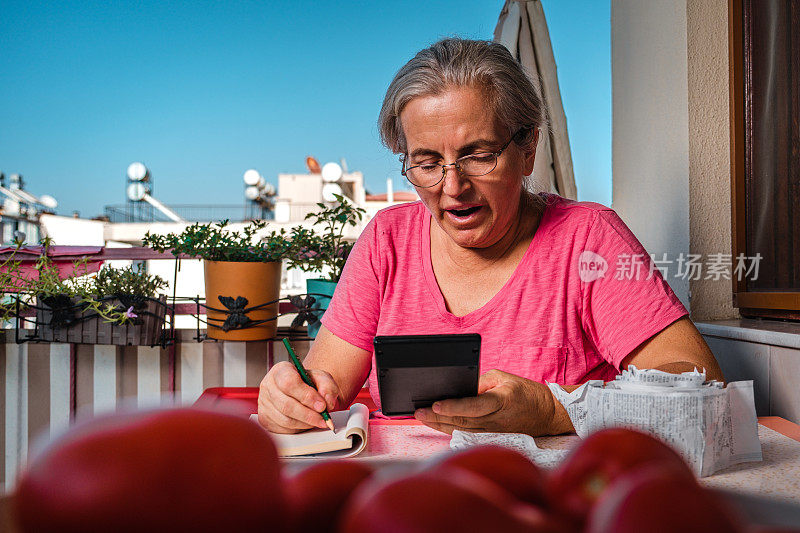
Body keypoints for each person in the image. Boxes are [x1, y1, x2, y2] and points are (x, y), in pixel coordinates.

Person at [258, 38, 723, 436]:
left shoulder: (588, 239)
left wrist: (551, 410)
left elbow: (698, 387)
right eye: (426, 164)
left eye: (478, 155)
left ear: (528, 150)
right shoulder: (386, 241)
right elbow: (326, 385)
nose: (453, 186)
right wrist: (292, 399)